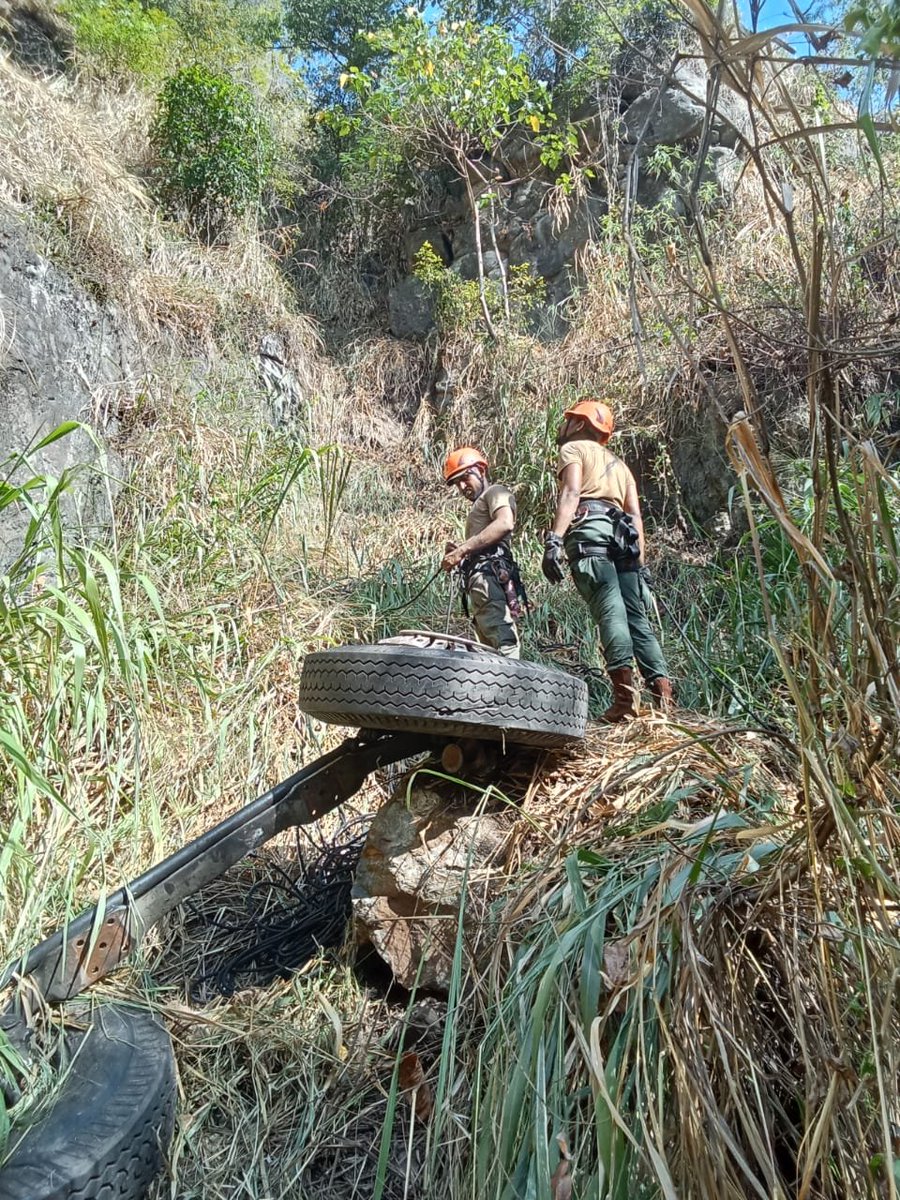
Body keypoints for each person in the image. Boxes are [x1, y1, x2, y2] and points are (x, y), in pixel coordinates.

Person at [541, 399, 674, 720]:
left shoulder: (573, 450)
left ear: (578, 425)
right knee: (636, 618)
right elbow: (635, 516)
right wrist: (641, 565)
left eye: (568, 420)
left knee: (609, 611)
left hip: (591, 533)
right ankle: (665, 701)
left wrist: (554, 539)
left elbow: (572, 493)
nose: (564, 425)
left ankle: (625, 702)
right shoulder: (620, 466)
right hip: (624, 537)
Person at [440, 447, 525, 658]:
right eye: (456, 483)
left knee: (503, 644)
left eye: (465, 477)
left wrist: (463, 549)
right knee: (489, 649)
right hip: (482, 577)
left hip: (489, 577)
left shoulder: (495, 492)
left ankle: (510, 687)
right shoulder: (481, 503)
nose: (462, 486)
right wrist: (463, 553)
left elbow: (505, 523)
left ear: (481, 470)